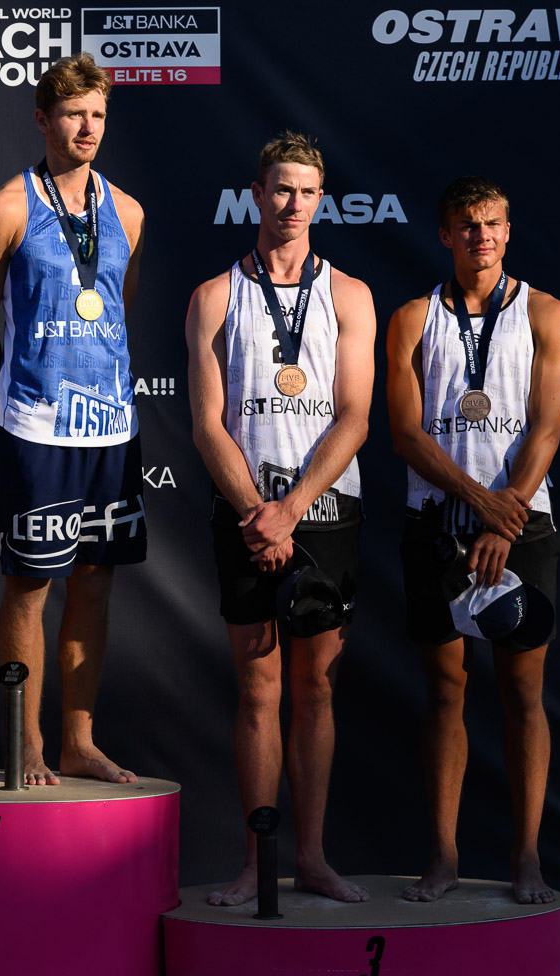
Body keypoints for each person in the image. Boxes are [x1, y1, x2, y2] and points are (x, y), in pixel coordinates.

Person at [184, 132, 375, 904]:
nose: (293, 204)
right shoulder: (214, 295)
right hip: (244, 518)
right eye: (281, 190)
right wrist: (256, 516)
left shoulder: (350, 295)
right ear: (256, 195)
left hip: (323, 514)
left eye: (307, 192)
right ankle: (257, 861)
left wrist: (288, 512)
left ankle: (314, 859)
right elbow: (207, 424)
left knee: (316, 692)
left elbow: (356, 417)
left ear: (321, 200)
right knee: (258, 691)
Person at [0, 53, 147, 785]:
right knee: (30, 586)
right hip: (37, 432)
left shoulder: (128, 210)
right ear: (43, 119)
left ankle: (77, 740)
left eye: (97, 115)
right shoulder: (7, 207)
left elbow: (118, 311)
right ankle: (27, 743)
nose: (87, 127)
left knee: (94, 583)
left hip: (112, 430)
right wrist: (10, 409)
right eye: (73, 114)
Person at [386, 176, 560, 904]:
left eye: (493, 223)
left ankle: (527, 857)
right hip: (438, 524)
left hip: (522, 526)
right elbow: (406, 434)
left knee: (523, 693)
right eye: (467, 225)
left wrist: (505, 515)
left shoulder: (547, 313)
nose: (482, 236)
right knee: (444, 692)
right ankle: (443, 856)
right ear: (445, 235)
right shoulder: (413, 318)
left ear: (508, 230)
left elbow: (547, 428)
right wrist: (481, 506)